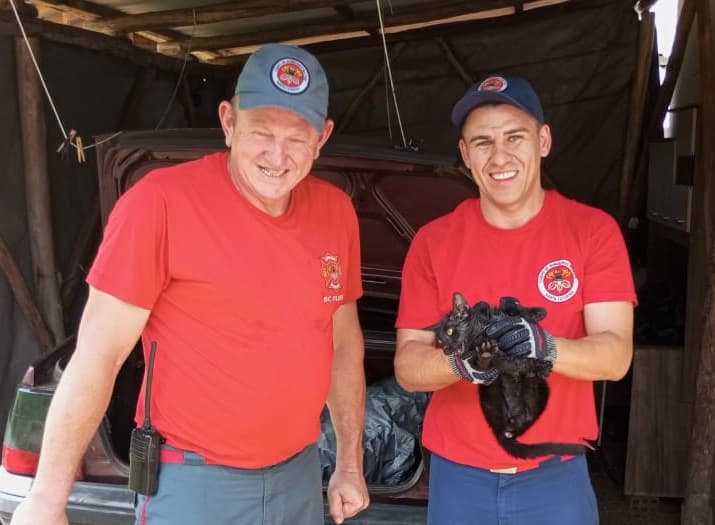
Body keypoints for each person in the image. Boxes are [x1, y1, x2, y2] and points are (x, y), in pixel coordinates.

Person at [11, 43, 369, 525]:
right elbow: (98, 354)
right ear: (228, 122)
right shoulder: (158, 203)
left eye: (297, 138)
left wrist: (348, 463)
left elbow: (344, 345)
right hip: (194, 484)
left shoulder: (336, 213)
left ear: (323, 137)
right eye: (261, 132)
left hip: (300, 476)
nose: (277, 156)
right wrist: (47, 500)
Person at [394, 74, 637, 524]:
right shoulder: (433, 242)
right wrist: (459, 363)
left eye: (515, 137)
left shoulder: (592, 232)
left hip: (555, 477)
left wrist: (541, 345)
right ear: (465, 155)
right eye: (482, 142)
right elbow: (408, 368)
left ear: (543, 140)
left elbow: (615, 356)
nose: (500, 156)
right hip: (458, 478)